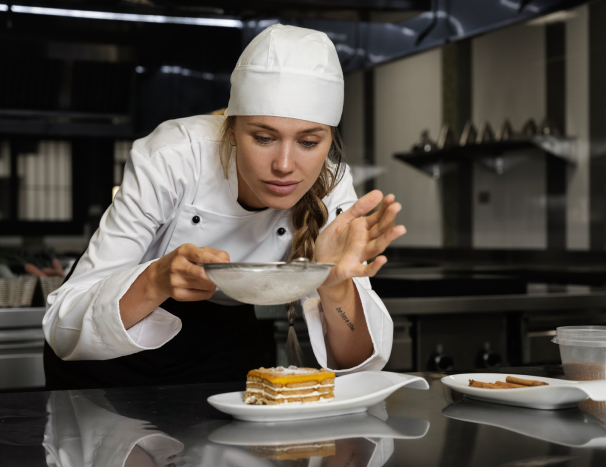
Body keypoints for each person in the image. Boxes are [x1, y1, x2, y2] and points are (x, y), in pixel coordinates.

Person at [42, 24, 406, 390]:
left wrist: (334, 286)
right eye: (263, 138)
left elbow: (357, 365)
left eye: (309, 143)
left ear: (329, 141)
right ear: (231, 129)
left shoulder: (329, 184)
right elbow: (64, 325)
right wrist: (157, 278)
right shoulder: (173, 157)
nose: (284, 164)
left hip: (222, 348)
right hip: (110, 359)